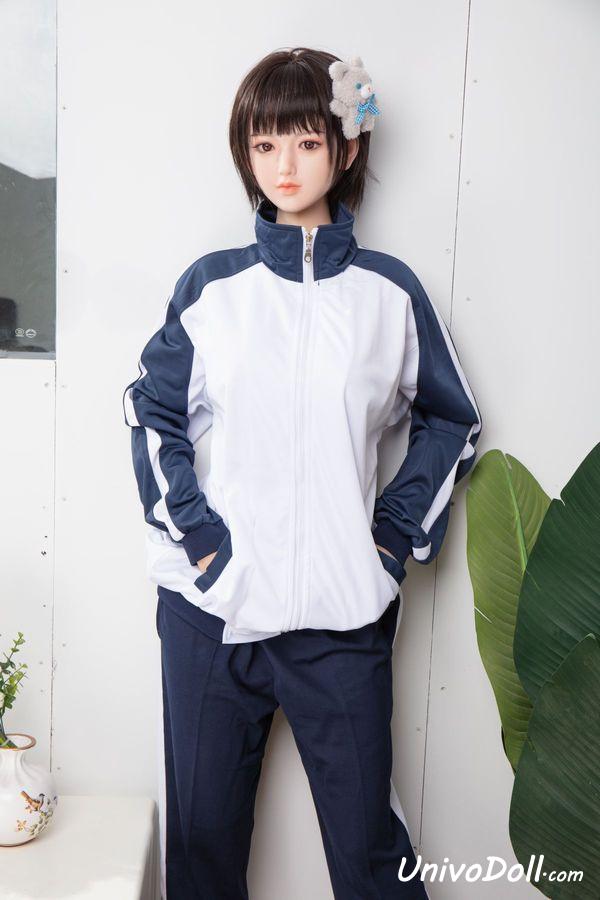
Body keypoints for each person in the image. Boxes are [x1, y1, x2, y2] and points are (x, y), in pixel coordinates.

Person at [122, 46, 482, 900]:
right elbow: (148, 411)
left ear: (346, 148)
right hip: (211, 614)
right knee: (203, 857)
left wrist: (388, 542)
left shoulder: (390, 294)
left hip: (342, 620)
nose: (284, 165)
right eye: (264, 144)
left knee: (370, 858)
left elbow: (453, 419)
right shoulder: (214, 287)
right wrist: (202, 543)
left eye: (307, 142)